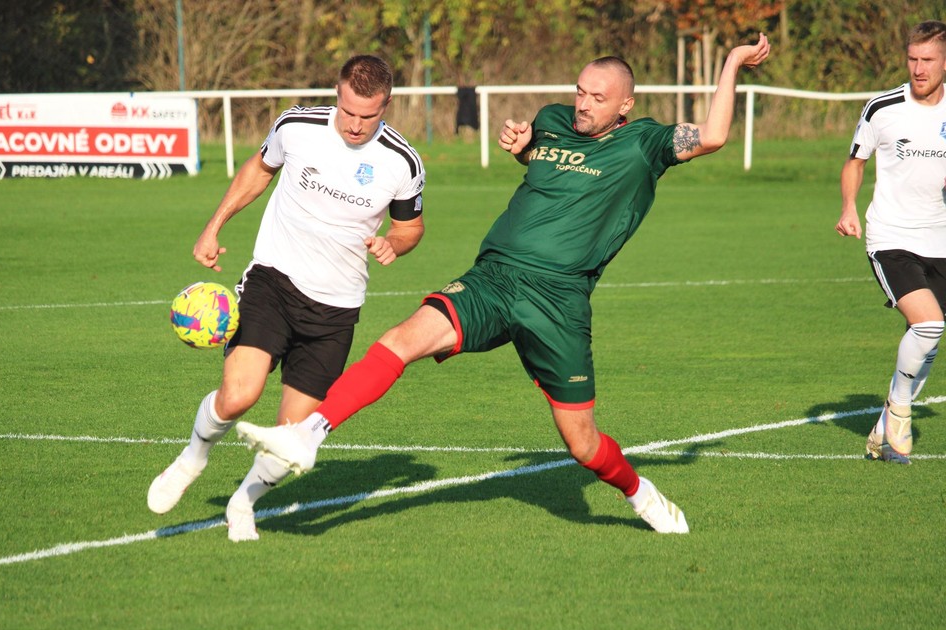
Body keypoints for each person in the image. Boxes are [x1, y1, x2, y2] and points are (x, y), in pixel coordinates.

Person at [237, 34, 772, 535]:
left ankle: (639, 492)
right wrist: (521, 146)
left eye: (598, 97)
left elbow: (716, 135)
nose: (583, 104)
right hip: (494, 276)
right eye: (580, 91)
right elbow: (539, 162)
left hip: (559, 302)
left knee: (582, 444)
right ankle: (308, 434)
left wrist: (730, 65)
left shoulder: (645, 144)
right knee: (402, 339)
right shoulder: (555, 120)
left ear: (625, 105)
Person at [147, 54, 426, 541]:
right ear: (336, 95)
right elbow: (260, 168)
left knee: (291, 441)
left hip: (335, 310)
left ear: (387, 106)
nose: (356, 125)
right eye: (348, 111)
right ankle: (192, 458)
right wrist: (214, 226)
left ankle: (243, 503)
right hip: (273, 281)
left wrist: (393, 244)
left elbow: (410, 226)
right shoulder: (296, 125)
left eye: (369, 115)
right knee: (238, 395)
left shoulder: (402, 162)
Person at [835, 21, 946, 465]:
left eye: (928, 60)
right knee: (929, 325)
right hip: (891, 236)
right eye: (912, 59)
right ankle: (899, 412)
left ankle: (882, 431)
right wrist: (847, 207)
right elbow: (855, 162)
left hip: (940, 239)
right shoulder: (883, 107)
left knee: (928, 340)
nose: (918, 69)